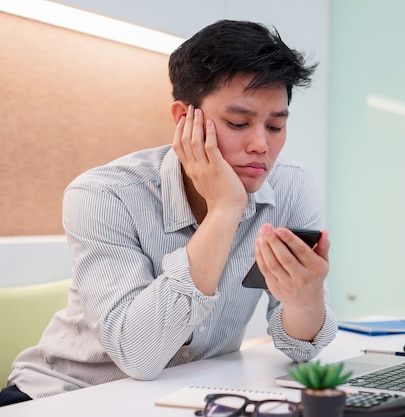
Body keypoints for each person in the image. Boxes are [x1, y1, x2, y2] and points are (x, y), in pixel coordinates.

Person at [0, 19, 337, 406]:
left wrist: (305, 300)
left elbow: (303, 351)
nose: (260, 144)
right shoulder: (104, 194)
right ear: (183, 118)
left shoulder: (291, 186)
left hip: (184, 395)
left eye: (276, 126)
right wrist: (225, 209)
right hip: (62, 395)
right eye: (238, 123)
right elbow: (139, 357)